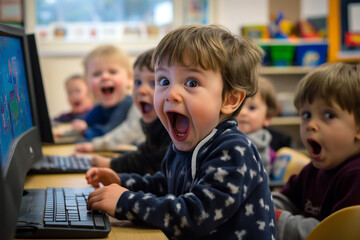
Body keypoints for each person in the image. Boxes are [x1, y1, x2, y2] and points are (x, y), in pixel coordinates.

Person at [86, 25, 276, 239]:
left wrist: (125, 202)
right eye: (164, 81)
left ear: (230, 99)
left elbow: (195, 214)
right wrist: (123, 182)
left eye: (191, 83)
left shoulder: (235, 151)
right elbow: (167, 184)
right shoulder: (183, 144)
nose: (171, 94)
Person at [273, 62, 360, 240]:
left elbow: (330, 233)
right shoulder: (313, 169)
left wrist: (274, 218)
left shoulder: (356, 175)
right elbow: (286, 200)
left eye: (328, 115)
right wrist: (260, 204)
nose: (311, 125)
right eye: (306, 115)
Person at [81, 48, 171, 175]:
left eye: (153, 82)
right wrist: (112, 167)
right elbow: (144, 156)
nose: (142, 90)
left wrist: (95, 145)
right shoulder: (153, 127)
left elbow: (159, 176)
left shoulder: (172, 135)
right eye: (138, 82)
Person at [72, 44, 141, 141]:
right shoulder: (99, 108)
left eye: (112, 72)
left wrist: (84, 130)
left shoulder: (128, 104)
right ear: (87, 83)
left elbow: (109, 131)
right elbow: (88, 122)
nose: (105, 77)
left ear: (129, 79)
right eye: (97, 74)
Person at [236, 76, 278, 176]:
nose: (243, 112)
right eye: (238, 106)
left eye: (252, 108)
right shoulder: (222, 141)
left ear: (267, 117)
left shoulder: (269, 153)